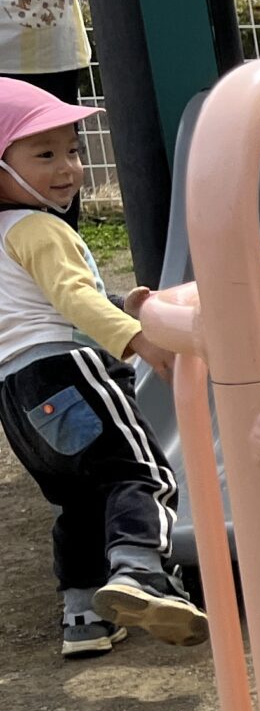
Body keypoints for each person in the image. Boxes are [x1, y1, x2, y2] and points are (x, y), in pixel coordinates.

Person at [0, 80, 205, 656]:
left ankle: (84, 616)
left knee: (80, 499)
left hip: (16, 397)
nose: (67, 168)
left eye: (73, 150)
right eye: (44, 154)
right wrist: (136, 336)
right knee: (140, 472)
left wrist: (120, 304)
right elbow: (72, 299)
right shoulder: (40, 229)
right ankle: (141, 570)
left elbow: (45, 303)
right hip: (68, 372)